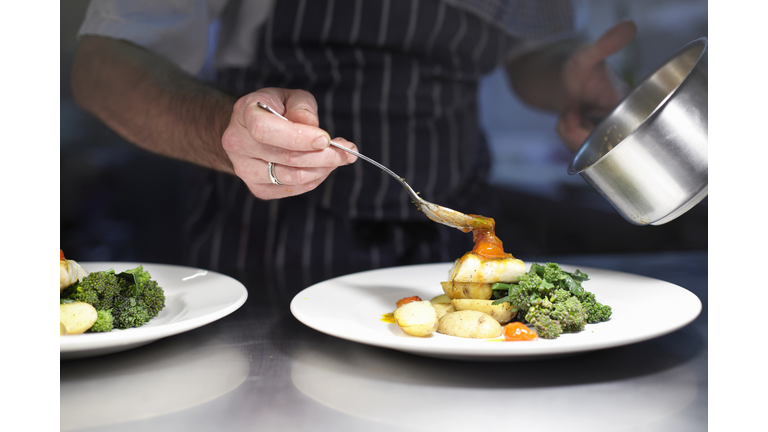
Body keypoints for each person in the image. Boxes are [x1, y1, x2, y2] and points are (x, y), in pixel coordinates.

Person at [71, 0, 636, 290]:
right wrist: (227, 128)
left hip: (450, 233)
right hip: (271, 238)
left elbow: (532, 53)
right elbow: (103, 64)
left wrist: (565, 75)